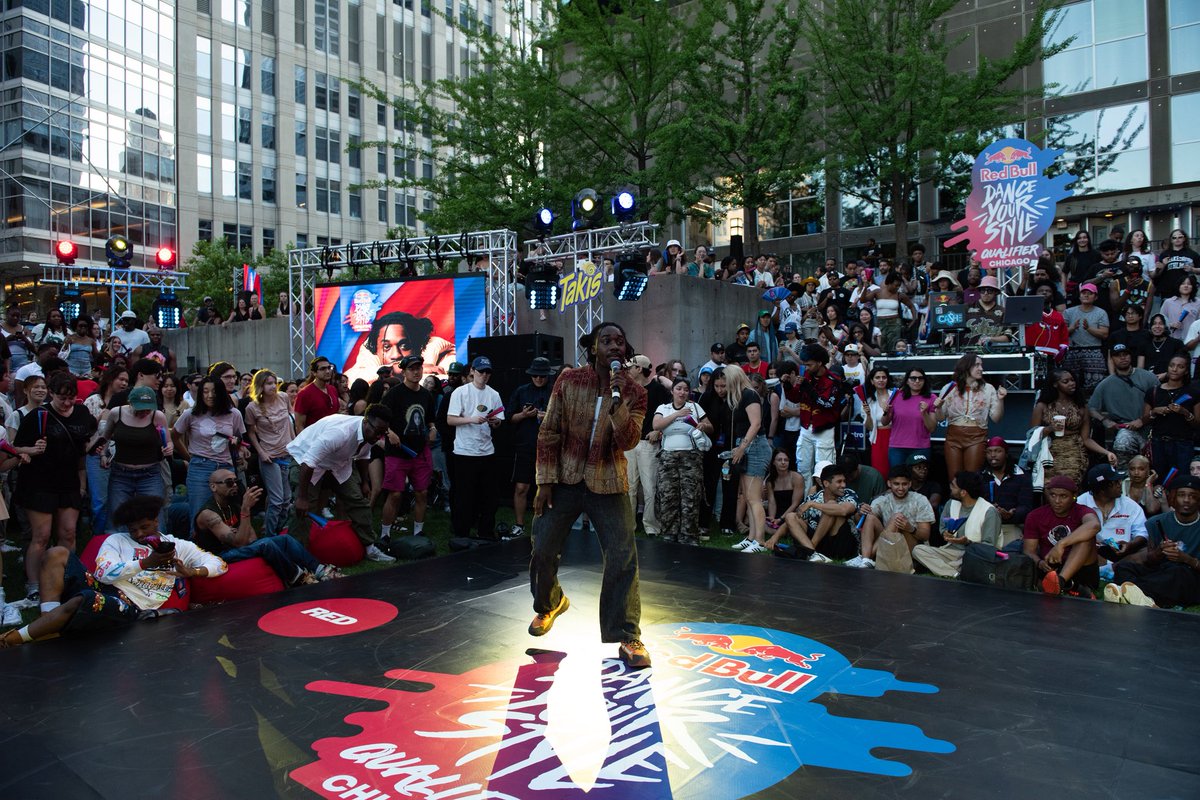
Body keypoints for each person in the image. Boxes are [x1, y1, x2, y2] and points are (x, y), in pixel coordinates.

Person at [527, 321, 651, 669]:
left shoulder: (634, 392)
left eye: (620, 341)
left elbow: (629, 441)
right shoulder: (568, 381)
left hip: (608, 481)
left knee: (622, 556)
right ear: (593, 348)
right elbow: (549, 430)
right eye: (606, 340)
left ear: (624, 352)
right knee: (543, 545)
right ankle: (549, 603)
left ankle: (626, 635)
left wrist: (617, 404)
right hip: (565, 478)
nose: (614, 346)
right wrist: (545, 482)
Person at [0, 496, 227, 648]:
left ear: (156, 521)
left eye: (144, 527)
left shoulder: (179, 546)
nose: (138, 534)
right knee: (56, 553)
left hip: (131, 607)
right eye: (133, 530)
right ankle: (47, 625)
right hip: (104, 587)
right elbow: (102, 572)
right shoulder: (117, 540)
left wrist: (193, 571)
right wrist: (145, 563)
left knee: (88, 599)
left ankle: (13, 639)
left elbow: (219, 564)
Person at [12, 372, 97, 604]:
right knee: (41, 535)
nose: (67, 403)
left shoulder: (81, 413)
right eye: (62, 398)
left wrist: (82, 482)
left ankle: (66, 577)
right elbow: (16, 446)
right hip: (39, 481)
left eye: (71, 398)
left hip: (68, 480)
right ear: (51, 393)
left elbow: (83, 447)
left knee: (69, 532)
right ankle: (34, 585)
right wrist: (32, 450)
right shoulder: (37, 416)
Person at [193, 469, 341, 585]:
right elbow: (240, 542)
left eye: (236, 481)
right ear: (213, 487)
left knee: (285, 539)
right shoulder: (209, 514)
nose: (235, 486)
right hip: (218, 557)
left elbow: (249, 536)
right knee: (266, 544)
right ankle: (297, 578)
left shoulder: (233, 502)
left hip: (234, 547)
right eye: (229, 482)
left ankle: (321, 570)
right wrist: (245, 511)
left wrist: (244, 537)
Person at [287, 406, 396, 562]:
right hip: (305, 460)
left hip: (338, 463)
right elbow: (308, 462)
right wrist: (302, 497)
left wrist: (364, 482)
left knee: (358, 500)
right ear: (366, 422)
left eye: (383, 433)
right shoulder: (339, 433)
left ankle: (370, 548)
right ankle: (296, 557)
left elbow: (363, 456)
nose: (379, 436)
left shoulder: (371, 433)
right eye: (378, 431)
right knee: (304, 510)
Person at [1112, 474, 1200, 608]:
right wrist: (1159, 552)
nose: (1187, 500)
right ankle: (1143, 598)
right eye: (1181, 495)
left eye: (1193, 496)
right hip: (1161, 572)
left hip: (1189, 577)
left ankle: (1135, 593)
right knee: (1124, 567)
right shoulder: (1157, 522)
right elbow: (1150, 560)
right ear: (1173, 498)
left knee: (1178, 572)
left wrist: (1187, 559)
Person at [380, 355, 438, 542]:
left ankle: (418, 531)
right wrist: (389, 433)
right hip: (397, 452)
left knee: (422, 492)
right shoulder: (394, 394)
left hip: (420, 451)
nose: (416, 372)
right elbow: (378, 419)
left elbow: (430, 419)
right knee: (395, 493)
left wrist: (433, 429)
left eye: (418, 368)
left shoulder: (426, 395)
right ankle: (385, 534)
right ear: (404, 371)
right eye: (412, 369)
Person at [174, 375, 248, 522]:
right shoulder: (191, 414)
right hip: (200, 468)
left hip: (226, 468)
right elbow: (174, 436)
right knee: (199, 514)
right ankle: (197, 544)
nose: (209, 395)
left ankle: (228, 543)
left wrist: (240, 450)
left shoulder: (234, 414)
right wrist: (189, 457)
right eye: (205, 391)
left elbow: (239, 439)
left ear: (221, 392)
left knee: (229, 513)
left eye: (214, 391)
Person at [94, 385, 172, 521]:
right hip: (121, 473)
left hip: (150, 473)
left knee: (153, 517)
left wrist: (168, 447)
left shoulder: (157, 416)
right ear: (130, 403)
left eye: (148, 409)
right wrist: (103, 455)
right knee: (117, 516)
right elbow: (105, 436)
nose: (145, 412)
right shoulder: (116, 413)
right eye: (141, 409)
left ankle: (155, 542)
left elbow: (169, 441)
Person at [446, 356, 504, 540]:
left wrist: (495, 422)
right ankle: (461, 532)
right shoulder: (460, 393)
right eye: (481, 371)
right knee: (464, 496)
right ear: (472, 371)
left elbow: (500, 419)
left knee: (489, 496)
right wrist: (471, 419)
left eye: (488, 372)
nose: (484, 375)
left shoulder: (493, 394)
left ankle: (485, 531)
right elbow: (450, 419)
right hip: (464, 451)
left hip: (486, 451)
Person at [652, 377, 710, 546]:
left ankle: (689, 534)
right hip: (668, 457)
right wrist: (677, 414)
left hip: (690, 457)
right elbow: (656, 425)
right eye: (679, 389)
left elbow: (709, 425)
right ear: (672, 391)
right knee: (668, 495)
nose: (682, 392)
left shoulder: (695, 407)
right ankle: (670, 532)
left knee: (690, 495)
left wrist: (703, 426)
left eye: (685, 389)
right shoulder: (664, 408)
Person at [1023, 475, 1101, 598]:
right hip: (1050, 568)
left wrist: (1061, 544)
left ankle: (1061, 582)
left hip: (1082, 569)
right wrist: (1039, 562)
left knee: (1086, 538)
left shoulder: (1082, 510)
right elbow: (1028, 551)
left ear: (1074, 497)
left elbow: (1094, 525)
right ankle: (1069, 587)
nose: (1057, 501)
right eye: (1052, 495)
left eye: (1063, 496)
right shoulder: (1035, 515)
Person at [912, 471, 999, 578]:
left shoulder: (989, 511)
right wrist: (945, 533)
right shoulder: (950, 503)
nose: (950, 487)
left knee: (962, 562)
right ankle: (955, 573)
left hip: (974, 556)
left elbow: (989, 546)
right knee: (918, 550)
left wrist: (967, 542)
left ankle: (947, 568)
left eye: (953, 486)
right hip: (951, 551)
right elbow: (943, 527)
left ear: (963, 492)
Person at [1033, 369, 1113, 486]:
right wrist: (1050, 429)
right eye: (1066, 381)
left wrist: (1107, 453)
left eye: (1072, 380)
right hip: (1049, 451)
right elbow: (1032, 434)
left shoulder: (1081, 406)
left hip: (1074, 451)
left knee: (1070, 486)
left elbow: (1086, 439)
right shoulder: (1043, 406)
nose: (1071, 383)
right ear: (1055, 384)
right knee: (1051, 486)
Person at [1075, 463, 1147, 592]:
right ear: (1103, 489)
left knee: (1146, 552)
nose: (1120, 485)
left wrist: (1130, 544)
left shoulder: (1130, 505)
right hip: (1092, 552)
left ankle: (1108, 570)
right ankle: (1111, 571)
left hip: (1122, 553)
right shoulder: (1080, 503)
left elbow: (1142, 532)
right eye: (1116, 482)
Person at [769, 462, 859, 563]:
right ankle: (813, 553)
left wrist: (813, 504)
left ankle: (810, 551)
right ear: (826, 483)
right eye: (839, 482)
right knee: (791, 516)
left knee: (831, 505)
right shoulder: (813, 498)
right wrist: (775, 537)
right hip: (821, 545)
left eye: (844, 481)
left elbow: (844, 511)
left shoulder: (849, 494)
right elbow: (793, 520)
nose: (843, 485)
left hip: (841, 544)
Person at [850, 464, 936, 569]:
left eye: (904, 484)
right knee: (870, 517)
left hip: (914, 548)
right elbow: (862, 523)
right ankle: (866, 559)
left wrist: (910, 528)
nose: (900, 488)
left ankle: (866, 557)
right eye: (896, 484)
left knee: (897, 517)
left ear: (910, 484)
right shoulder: (882, 500)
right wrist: (860, 512)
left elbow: (925, 536)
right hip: (889, 544)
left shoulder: (920, 500)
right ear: (889, 483)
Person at [507, 357, 556, 538]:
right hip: (526, 445)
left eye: (542, 376)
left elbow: (564, 420)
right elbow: (510, 418)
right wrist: (524, 415)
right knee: (521, 487)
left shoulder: (554, 392)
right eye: (535, 375)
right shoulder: (521, 392)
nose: (538, 379)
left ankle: (546, 524)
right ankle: (519, 524)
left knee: (547, 487)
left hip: (548, 447)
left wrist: (547, 417)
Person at [935, 354, 1005, 478]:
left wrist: (1000, 400)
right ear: (966, 367)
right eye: (977, 365)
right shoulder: (949, 388)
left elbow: (996, 418)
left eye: (981, 365)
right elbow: (940, 418)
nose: (981, 368)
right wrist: (939, 407)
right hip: (953, 437)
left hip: (976, 437)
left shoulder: (988, 389)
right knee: (954, 478)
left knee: (971, 479)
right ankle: (956, 498)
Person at [725, 367, 771, 553]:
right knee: (748, 495)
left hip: (755, 446)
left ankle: (759, 540)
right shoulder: (740, 396)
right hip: (745, 445)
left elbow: (756, 423)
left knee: (754, 498)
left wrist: (742, 447)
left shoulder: (750, 395)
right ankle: (751, 537)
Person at [244, 369, 296, 537]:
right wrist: (261, 452)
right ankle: (270, 537)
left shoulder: (283, 397)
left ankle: (275, 530)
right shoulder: (252, 407)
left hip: (286, 452)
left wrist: (295, 444)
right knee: (277, 500)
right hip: (270, 457)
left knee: (287, 499)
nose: (273, 386)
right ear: (260, 386)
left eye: (274, 382)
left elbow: (290, 422)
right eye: (268, 383)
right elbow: (251, 432)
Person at [1088, 344, 1158, 466]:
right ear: (1112, 359)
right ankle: (1123, 475)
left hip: (1151, 427)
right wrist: (1104, 420)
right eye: (1118, 356)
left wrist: (1143, 420)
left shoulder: (1149, 377)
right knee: (1122, 442)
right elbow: (1091, 408)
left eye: (1125, 354)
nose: (1123, 358)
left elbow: (1161, 404)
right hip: (1125, 429)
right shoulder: (1106, 384)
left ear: (1131, 357)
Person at [625, 354, 669, 538]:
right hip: (629, 444)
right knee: (629, 487)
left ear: (639, 369)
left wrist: (659, 432)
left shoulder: (658, 389)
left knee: (650, 486)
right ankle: (628, 525)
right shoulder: (627, 389)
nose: (627, 370)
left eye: (631, 367)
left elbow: (671, 410)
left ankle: (651, 525)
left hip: (647, 443)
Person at [345, 311, 456, 382]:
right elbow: (350, 379)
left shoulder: (439, 349)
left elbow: (447, 380)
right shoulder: (369, 351)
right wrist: (396, 369)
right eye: (387, 347)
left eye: (404, 346)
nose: (396, 355)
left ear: (418, 346)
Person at [789, 343, 845, 480]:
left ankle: (825, 501)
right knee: (802, 469)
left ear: (820, 363)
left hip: (824, 430)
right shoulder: (805, 375)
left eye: (809, 365)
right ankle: (805, 500)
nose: (806, 368)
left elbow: (827, 404)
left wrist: (808, 388)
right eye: (805, 364)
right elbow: (795, 398)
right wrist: (787, 385)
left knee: (824, 471)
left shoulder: (833, 381)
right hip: (805, 428)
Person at [1142, 353, 1200, 478]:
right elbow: (1144, 420)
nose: (1175, 369)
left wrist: (1185, 413)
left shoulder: (1193, 392)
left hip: (1183, 444)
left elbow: (1197, 424)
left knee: (1181, 481)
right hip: (1158, 443)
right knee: (1158, 480)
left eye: (1180, 366)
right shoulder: (1153, 391)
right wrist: (1154, 411)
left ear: (1186, 371)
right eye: (1172, 365)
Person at [980, 437, 1033, 547]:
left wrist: (1011, 514)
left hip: (1012, 525)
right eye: (989, 452)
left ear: (1006, 454)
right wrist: (987, 508)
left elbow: (1027, 506)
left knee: (1012, 553)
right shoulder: (980, 476)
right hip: (984, 526)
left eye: (997, 451)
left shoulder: (1022, 476)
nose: (993, 455)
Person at [1063, 282, 1110, 395]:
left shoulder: (1101, 313)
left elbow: (1104, 334)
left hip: (1094, 352)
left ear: (1096, 297)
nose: (1086, 295)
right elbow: (1061, 334)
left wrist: (1089, 329)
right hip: (1073, 351)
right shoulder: (1068, 312)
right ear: (1079, 296)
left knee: (1095, 386)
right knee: (1071, 385)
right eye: (1083, 293)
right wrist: (1072, 328)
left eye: (1090, 293)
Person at [294, 356, 341, 432]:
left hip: (333, 438)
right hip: (314, 439)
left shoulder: (332, 389)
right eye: (323, 369)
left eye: (329, 368)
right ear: (314, 373)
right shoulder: (304, 394)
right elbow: (299, 426)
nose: (328, 371)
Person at [1155, 229, 1200, 300]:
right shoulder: (1164, 254)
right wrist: (1163, 265)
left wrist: (1192, 269)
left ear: (1184, 238)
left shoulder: (1192, 254)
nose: (1177, 239)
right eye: (1174, 238)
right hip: (1168, 289)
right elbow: (1157, 274)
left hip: (1186, 289)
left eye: (1180, 237)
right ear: (1171, 240)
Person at [862, 367, 892, 471]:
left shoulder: (895, 396)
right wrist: (868, 414)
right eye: (877, 377)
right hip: (878, 438)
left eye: (884, 377)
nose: (881, 380)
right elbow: (870, 427)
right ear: (872, 381)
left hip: (895, 436)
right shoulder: (869, 400)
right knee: (880, 469)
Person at [1107, 303, 1151, 373]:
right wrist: (1112, 375)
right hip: (1120, 373)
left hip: (1142, 373)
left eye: (1133, 313)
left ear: (1140, 316)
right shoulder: (1115, 335)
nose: (1130, 316)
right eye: (1127, 314)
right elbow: (1110, 358)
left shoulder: (1147, 334)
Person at [1144, 313, 1186, 379]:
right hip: (1147, 380)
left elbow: (1183, 366)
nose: (1157, 326)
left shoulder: (1177, 344)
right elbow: (1140, 367)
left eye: (1161, 323)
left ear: (1166, 326)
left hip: (1171, 380)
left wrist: (1166, 375)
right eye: (1154, 324)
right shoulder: (1145, 343)